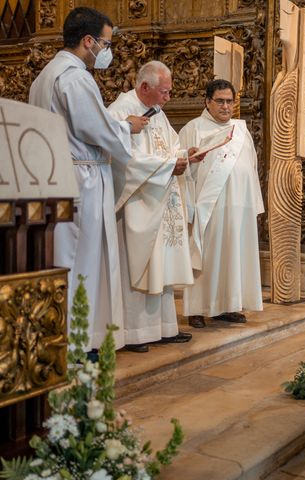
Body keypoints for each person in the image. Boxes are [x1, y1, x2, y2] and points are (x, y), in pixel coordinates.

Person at [28, 7, 148, 355]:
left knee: (63, 259)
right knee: (82, 261)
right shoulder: (75, 77)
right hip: (81, 179)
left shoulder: (45, 76)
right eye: (106, 44)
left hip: (57, 175)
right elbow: (95, 129)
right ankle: (78, 343)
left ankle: (61, 336)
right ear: (88, 41)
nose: (107, 52)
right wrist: (127, 127)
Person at [108, 61, 202, 352]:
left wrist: (186, 155)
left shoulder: (157, 112)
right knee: (138, 269)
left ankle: (163, 327)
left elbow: (169, 147)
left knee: (160, 269)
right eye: (164, 92)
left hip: (158, 201)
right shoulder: (120, 111)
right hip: (137, 204)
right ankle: (134, 333)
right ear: (144, 87)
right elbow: (123, 160)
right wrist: (168, 165)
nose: (168, 98)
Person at [178, 79, 264, 328]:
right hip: (208, 207)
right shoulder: (193, 129)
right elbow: (181, 167)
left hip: (238, 207)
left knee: (232, 257)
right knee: (204, 258)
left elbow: (252, 166)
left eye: (230, 101)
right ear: (207, 102)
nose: (226, 106)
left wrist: (253, 204)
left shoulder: (241, 131)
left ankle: (227, 305)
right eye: (220, 101)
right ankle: (197, 309)